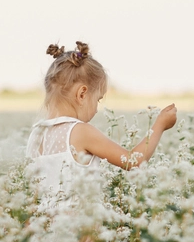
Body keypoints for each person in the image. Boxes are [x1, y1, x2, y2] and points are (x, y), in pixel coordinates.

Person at [26, 41, 178, 203]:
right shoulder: (80, 131)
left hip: (44, 226)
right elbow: (133, 161)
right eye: (98, 99)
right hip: (79, 226)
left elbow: (33, 197)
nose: (97, 109)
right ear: (82, 94)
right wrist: (160, 125)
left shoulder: (36, 135)